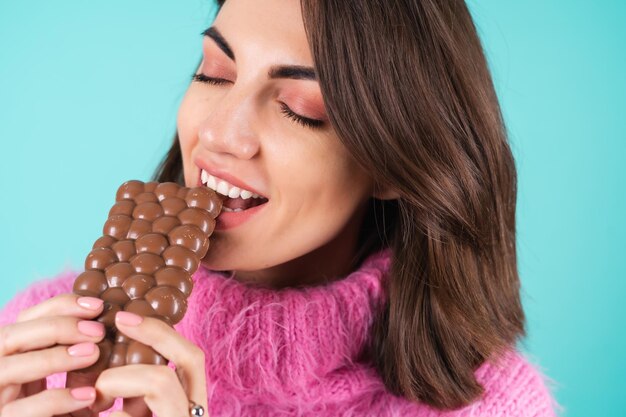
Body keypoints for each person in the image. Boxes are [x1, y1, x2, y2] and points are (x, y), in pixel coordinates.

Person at [0, 0, 561, 416]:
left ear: (394, 164)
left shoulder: (493, 405)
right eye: (214, 73)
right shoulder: (42, 340)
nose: (219, 134)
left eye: (298, 107)